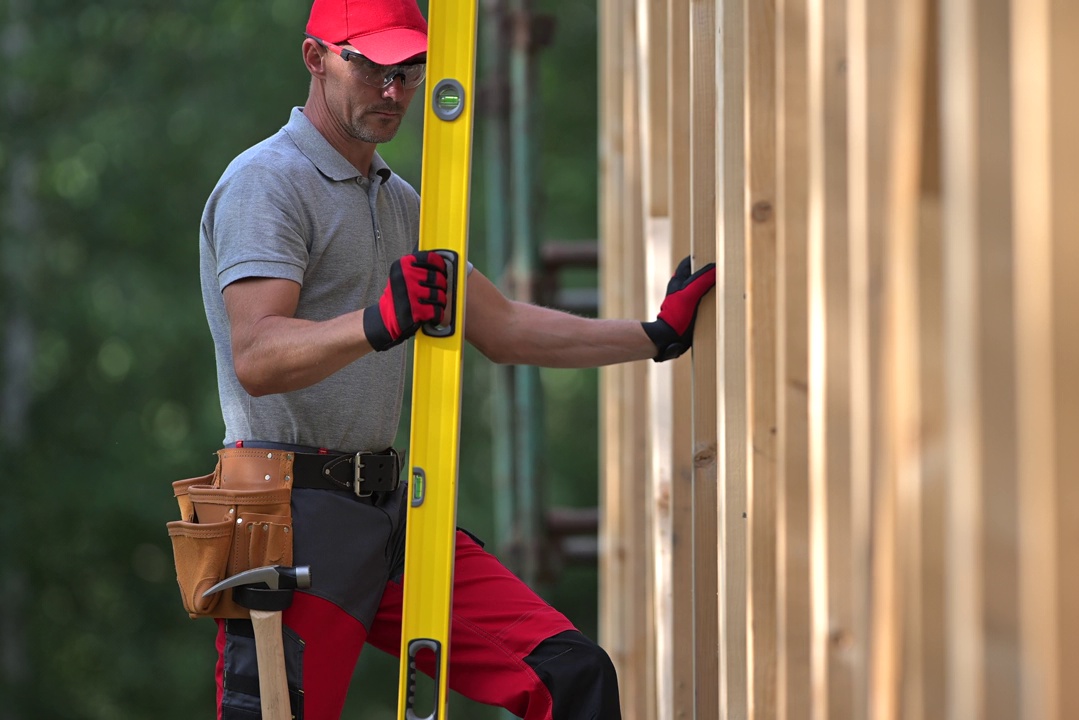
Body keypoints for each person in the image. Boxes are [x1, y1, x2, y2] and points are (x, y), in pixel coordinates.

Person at [195, 0, 716, 718]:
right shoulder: (268, 182)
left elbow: (502, 328)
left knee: (570, 675)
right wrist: (379, 322)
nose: (394, 90)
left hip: (386, 515)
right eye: (372, 66)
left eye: (409, 70)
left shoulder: (400, 201)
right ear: (316, 58)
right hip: (286, 523)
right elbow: (258, 353)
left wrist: (656, 336)